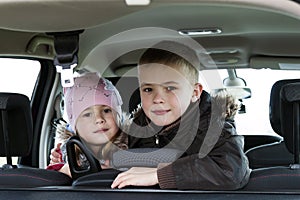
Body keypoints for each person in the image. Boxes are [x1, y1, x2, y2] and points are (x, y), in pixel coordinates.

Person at [110, 40, 250, 190]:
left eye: (170, 88)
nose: (157, 99)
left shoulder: (213, 127)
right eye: (148, 89)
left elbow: (231, 171)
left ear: (195, 93)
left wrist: (158, 175)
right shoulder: (137, 128)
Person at [47, 72, 128, 177]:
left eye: (107, 110)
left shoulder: (133, 145)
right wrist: (64, 170)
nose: (99, 119)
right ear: (74, 126)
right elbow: (51, 182)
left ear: (119, 117)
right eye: (87, 114)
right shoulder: (67, 153)